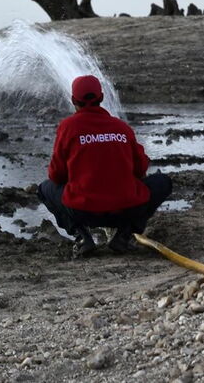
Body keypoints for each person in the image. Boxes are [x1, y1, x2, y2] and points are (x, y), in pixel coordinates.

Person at [37, 75, 172, 257]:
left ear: (73, 100)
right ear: (101, 98)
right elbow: (140, 169)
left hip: (82, 211)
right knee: (162, 182)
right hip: (125, 210)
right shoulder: (122, 127)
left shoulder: (68, 127)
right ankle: (124, 235)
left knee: (45, 188)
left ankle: (82, 236)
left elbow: (56, 175)